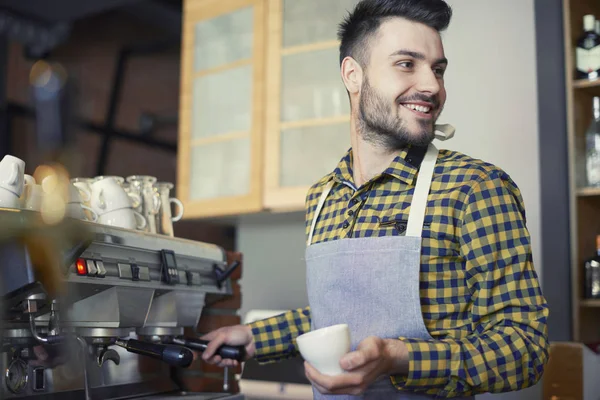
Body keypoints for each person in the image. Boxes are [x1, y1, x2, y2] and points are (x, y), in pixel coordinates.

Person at [200, 0, 550, 398]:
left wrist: (401, 358)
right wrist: (253, 337)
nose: (432, 86)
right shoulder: (323, 198)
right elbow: (343, 320)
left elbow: (526, 348)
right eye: (406, 64)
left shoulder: (474, 187)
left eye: (437, 69)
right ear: (353, 75)